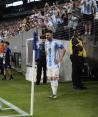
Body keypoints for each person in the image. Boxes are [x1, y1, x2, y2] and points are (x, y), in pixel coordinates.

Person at [45, 30, 66, 98]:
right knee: (51, 78)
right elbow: (46, 51)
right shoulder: (46, 43)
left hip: (55, 64)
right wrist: (47, 59)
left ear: (51, 34)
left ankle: (54, 94)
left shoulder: (56, 42)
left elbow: (64, 49)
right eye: (46, 35)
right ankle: (53, 93)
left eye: (48, 35)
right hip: (49, 64)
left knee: (54, 78)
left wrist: (60, 59)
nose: (46, 36)